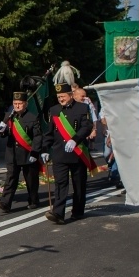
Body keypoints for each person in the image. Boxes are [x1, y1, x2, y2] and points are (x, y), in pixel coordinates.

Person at [41, 82, 94, 224]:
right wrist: (45, 149)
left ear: (70, 95)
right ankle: (58, 213)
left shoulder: (83, 108)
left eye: (63, 96)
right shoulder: (54, 110)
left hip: (77, 154)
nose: (61, 99)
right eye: (58, 97)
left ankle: (78, 211)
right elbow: (49, 133)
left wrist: (75, 140)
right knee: (60, 183)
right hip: (59, 154)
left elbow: (87, 126)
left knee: (79, 184)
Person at [0, 92, 41, 213]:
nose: (17, 106)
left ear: (25, 104)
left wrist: (35, 152)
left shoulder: (32, 117)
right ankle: (5, 202)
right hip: (12, 153)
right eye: (15, 103)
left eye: (20, 103)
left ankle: (33, 200)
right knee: (10, 178)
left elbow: (37, 137)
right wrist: (2, 130)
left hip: (27, 153)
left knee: (31, 179)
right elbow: (4, 135)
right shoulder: (9, 116)